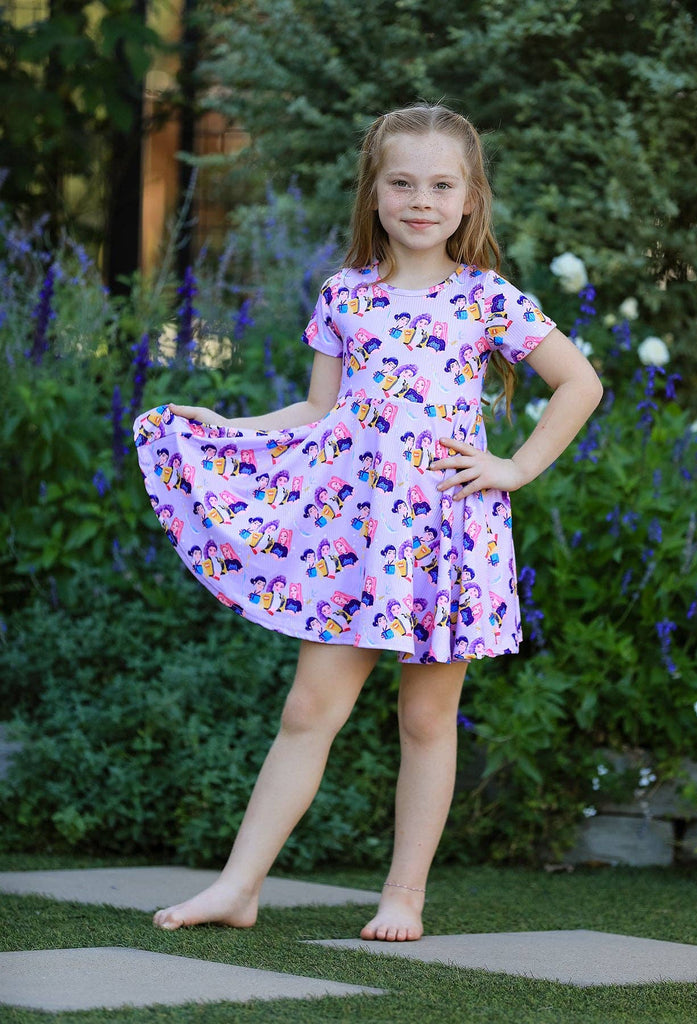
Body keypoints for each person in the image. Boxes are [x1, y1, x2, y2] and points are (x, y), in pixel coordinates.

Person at [133, 103, 603, 942]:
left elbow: (581, 383)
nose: (421, 200)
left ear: (469, 198)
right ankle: (238, 888)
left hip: (446, 532)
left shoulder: (486, 299)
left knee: (425, 720)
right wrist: (233, 430)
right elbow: (319, 410)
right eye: (403, 183)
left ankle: (404, 897)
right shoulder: (345, 294)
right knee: (308, 710)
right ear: (374, 192)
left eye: (441, 185)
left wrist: (516, 467)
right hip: (353, 538)